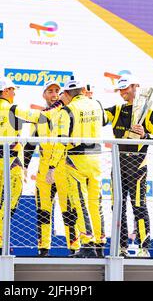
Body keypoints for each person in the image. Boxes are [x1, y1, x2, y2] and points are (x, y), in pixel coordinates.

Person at [0, 76, 63, 256]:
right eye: (13, 90)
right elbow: (41, 117)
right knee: (8, 205)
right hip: (13, 162)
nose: (14, 93)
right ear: (6, 91)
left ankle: (0, 243)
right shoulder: (12, 109)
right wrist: (58, 104)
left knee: (3, 203)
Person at [46, 77, 108, 258]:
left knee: (80, 203)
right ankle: (100, 245)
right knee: (96, 203)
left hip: (76, 161)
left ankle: (87, 245)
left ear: (66, 94)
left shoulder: (68, 110)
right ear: (82, 90)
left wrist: (51, 166)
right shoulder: (96, 104)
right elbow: (104, 121)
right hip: (96, 158)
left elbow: (61, 142)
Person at [104, 73, 153, 257]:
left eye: (126, 88)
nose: (123, 92)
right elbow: (98, 118)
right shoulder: (116, 110)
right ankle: (121, 247)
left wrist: (145, 135)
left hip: (138, 164)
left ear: (135, 87)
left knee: (138, 205)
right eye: (120, 89)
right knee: (118, 206)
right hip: (119, 163)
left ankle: (143, 248)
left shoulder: (150, 112)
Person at [23, 80, 79, 257]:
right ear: (44, 95)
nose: (54, 94)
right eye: (50, 91)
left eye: (57, 91)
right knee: (43, 210)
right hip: (44, 169)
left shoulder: (69, 113)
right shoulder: (40, 116)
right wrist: (24, 165)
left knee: (69, 210)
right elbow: (31, 143)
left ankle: (74, 248)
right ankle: (43, 249)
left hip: (64, 168)